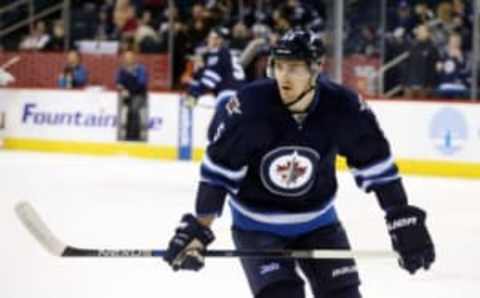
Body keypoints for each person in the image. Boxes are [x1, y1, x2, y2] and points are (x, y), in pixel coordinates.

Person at [163, 29, 435, 298]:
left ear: (316, 68)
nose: (284, 76)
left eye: (294, 68)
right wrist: (199, 229)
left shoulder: (343, 106)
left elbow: (376, 165)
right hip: (257, 227)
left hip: (319, 223)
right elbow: (218, 174)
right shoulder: (250, 107)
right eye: (279, 67)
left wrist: (400, 216)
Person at [184, 26, 246, 107]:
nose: (210, 40)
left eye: (213, 38)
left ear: (220, 40)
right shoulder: (227, 54)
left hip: (229, 97)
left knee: (192, 103)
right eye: (211, 37)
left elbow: (208, 82)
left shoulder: (218, 55)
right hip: (241, 95)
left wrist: (191, 89)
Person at [116, 50, 148, 141]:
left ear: (134, 59)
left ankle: (133, 136)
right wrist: (123, 88)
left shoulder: (141, 69)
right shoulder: (121, 70)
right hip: (126, 95)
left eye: (130, 58)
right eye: (126, 58)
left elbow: (141, 84)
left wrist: (128, 86)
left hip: (139, 95)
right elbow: (118, 83)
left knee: (133, 109)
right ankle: (125, 134)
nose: (127, 60)